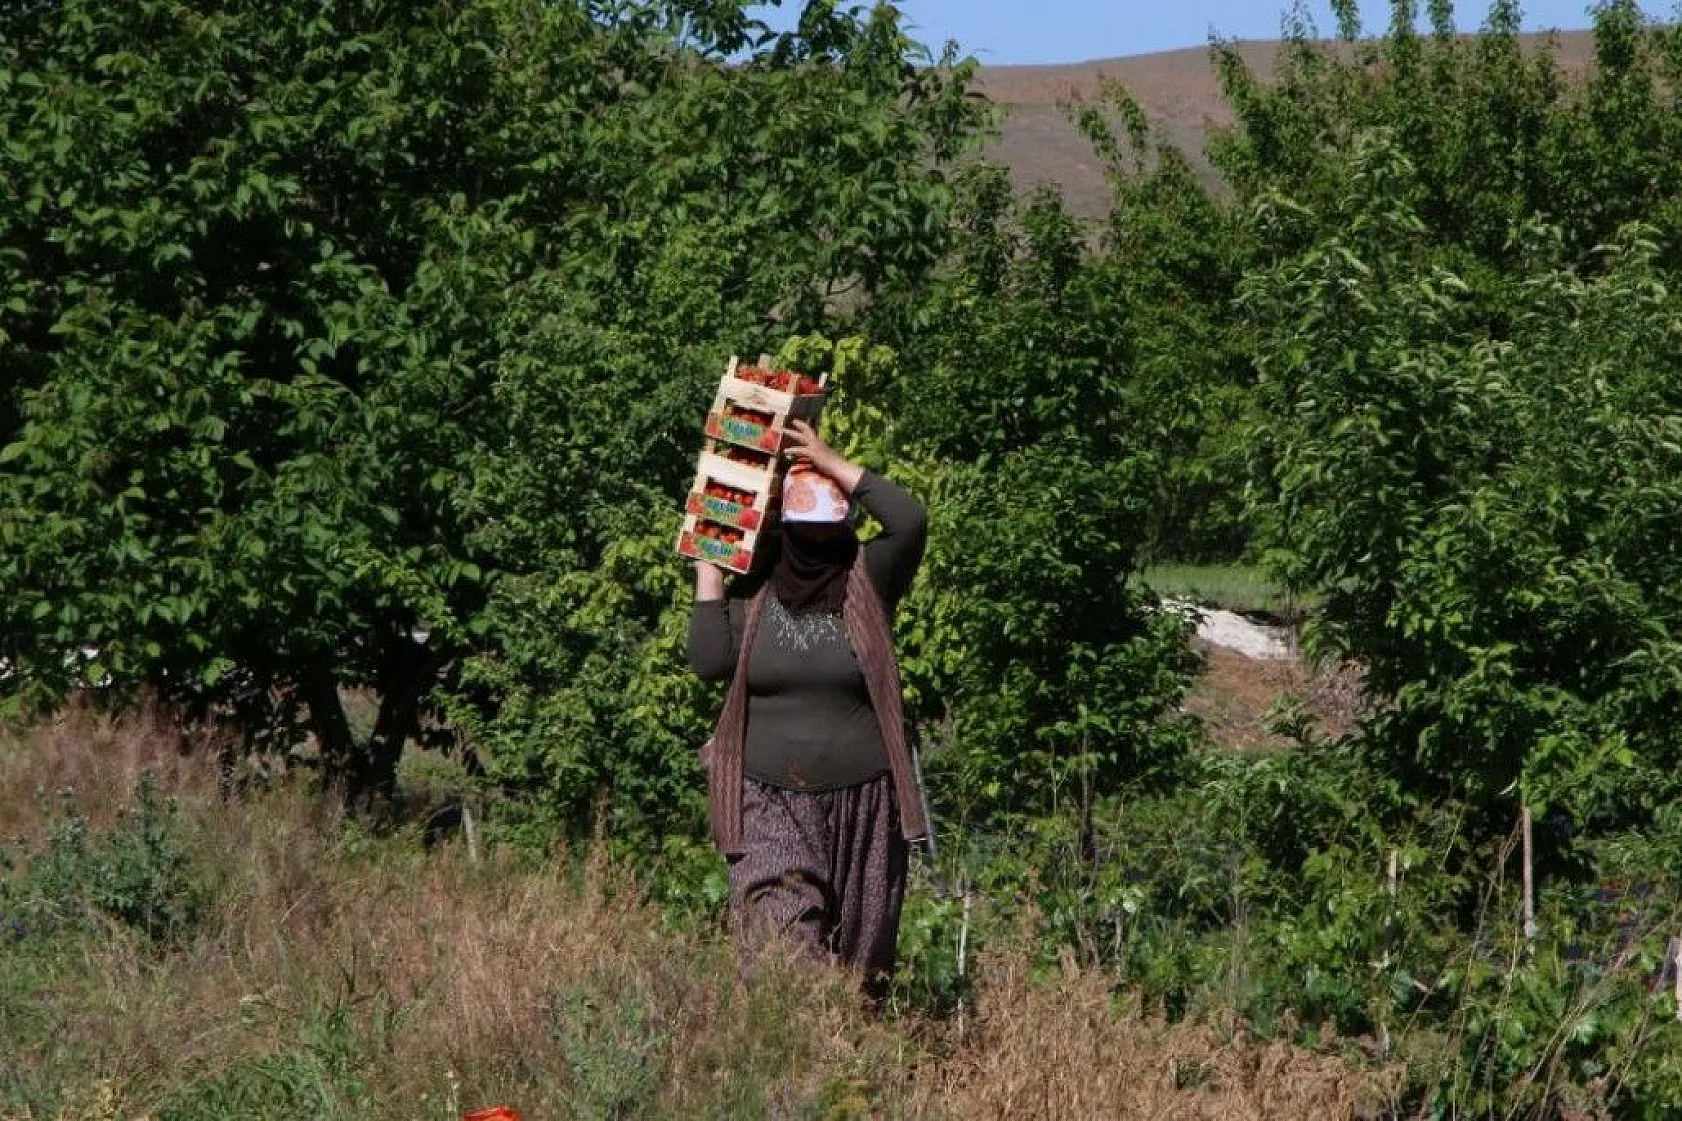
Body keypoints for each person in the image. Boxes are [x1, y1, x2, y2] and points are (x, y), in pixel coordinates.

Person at [688, 419, 929, 1001]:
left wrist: (830, 460)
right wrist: (708, 572)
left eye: (830, 534)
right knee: (781, 952)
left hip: (864, 808)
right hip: (767, 802)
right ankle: (792, 1067)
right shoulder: (756, 598)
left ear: (847, 532)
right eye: (806, 537)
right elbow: (707, 661)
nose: (818, 551)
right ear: (785, 536)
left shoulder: (868, 583)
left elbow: (909, 519)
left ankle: (840, 1082)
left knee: (858, 967)